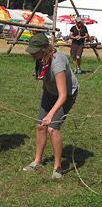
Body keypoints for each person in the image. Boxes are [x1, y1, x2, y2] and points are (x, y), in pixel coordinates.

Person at [23, 33, 78, 179]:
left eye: (35, 51)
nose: (32, 54)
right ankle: (37, 161)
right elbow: (45, 78)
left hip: (66, 94)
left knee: (53, 128)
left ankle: (57, 167)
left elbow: (63, 95)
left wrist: (50, 114)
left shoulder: (57, 62)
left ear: (44, 49)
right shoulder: (41, 58)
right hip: (50, 92)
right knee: (41, 126)